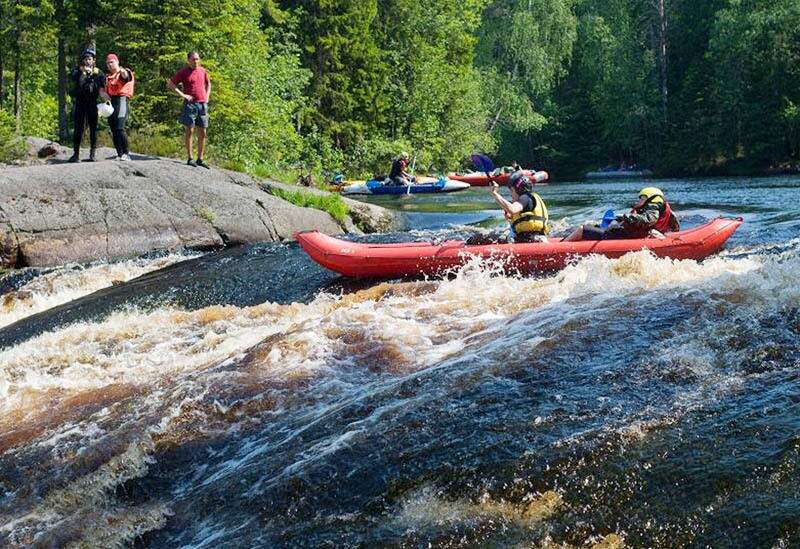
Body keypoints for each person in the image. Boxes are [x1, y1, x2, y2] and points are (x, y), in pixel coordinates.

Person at [565, 187, 680, 241]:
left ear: (650, 199)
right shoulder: (662, 209)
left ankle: (559, 248)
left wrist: (625, 216)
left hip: (623, 235)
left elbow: (648, 220)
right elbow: (675, 227)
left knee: (582, 229)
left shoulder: (652, 208)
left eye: (642, 198)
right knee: (591, 227)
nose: (639, 201)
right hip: (627, 233)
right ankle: (565, 239)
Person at [168, 51, 212, 168]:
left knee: (203, 131)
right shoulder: (184, 72)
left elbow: (208, 84)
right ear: (188, 60)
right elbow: (171, 84)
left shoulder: (203, 71)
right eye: (193, 59)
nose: (196, 61)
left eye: (197, 59)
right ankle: (190, 157)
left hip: (202, 104)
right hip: (190, 105)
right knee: (190, 130)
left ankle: (200, 159)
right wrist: (183, 95)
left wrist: (207, 97)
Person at [68, 48, 106, 163]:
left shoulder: (98, 73)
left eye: (90, 59)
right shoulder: (77, 71)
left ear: (94, 60)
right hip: (80, 103)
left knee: (93, 129)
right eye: (85, 59)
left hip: (92, 103)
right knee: (78, 128)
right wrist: (83, 73)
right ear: (83, 60)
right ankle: (76, 154)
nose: (87, 61)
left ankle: (92, 154)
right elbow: (73, 80)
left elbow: (103, 85)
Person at [490, 170, 549, 243]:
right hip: (534, 237)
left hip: (532, 239)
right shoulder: (527, 199)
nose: (511, 194)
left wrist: (495, 193)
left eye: (511, 190)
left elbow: (512, 209)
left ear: (518, 190)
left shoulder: (525, 197)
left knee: (489, 238)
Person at [100, 53, 134, 161]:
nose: (109, 65)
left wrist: (123, 71)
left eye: (111, 62)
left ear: (117, 62)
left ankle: (126, 153)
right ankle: (119, 154)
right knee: (113, 129)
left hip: (122, 100)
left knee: (120, 127)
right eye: (107, 63)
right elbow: (101, 89)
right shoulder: (107, 77)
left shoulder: (124, 72)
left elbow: (125, 77)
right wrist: (102, 94)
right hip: (111, 102)